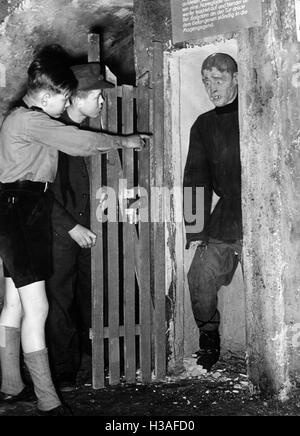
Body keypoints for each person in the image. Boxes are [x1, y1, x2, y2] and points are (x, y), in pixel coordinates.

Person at [0, 51, 146, 415]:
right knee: (38, 307)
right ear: (47, 96)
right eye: (65, 98)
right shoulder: (31, 121)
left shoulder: (20, 119)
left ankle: (11, 385)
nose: (67, 104)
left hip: (14, 208)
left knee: (14, 304)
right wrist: (125, 141)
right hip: (24, 210)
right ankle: (48, 401)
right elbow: (80, 142)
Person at [46, 63, 113, 391]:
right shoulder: (51, 134)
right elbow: (39, 192)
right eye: (96, 95)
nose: (101, 101)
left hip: (92, 227)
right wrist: (70, 226)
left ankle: (97, 356)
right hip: (59, 232)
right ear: (73, 99)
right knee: (59, 299)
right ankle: (64, 371)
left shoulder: (91, 130)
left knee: (93, 290)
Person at [183, 53, 242, 372]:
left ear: (236, 78)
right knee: (199, 275)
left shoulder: (256, 113)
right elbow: (195, 180)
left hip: (267, 215)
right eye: (206, 81)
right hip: (228, 215)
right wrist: (195, 230)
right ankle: (209, 341)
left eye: (218, 79)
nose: (210, 87)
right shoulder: (203, 125)